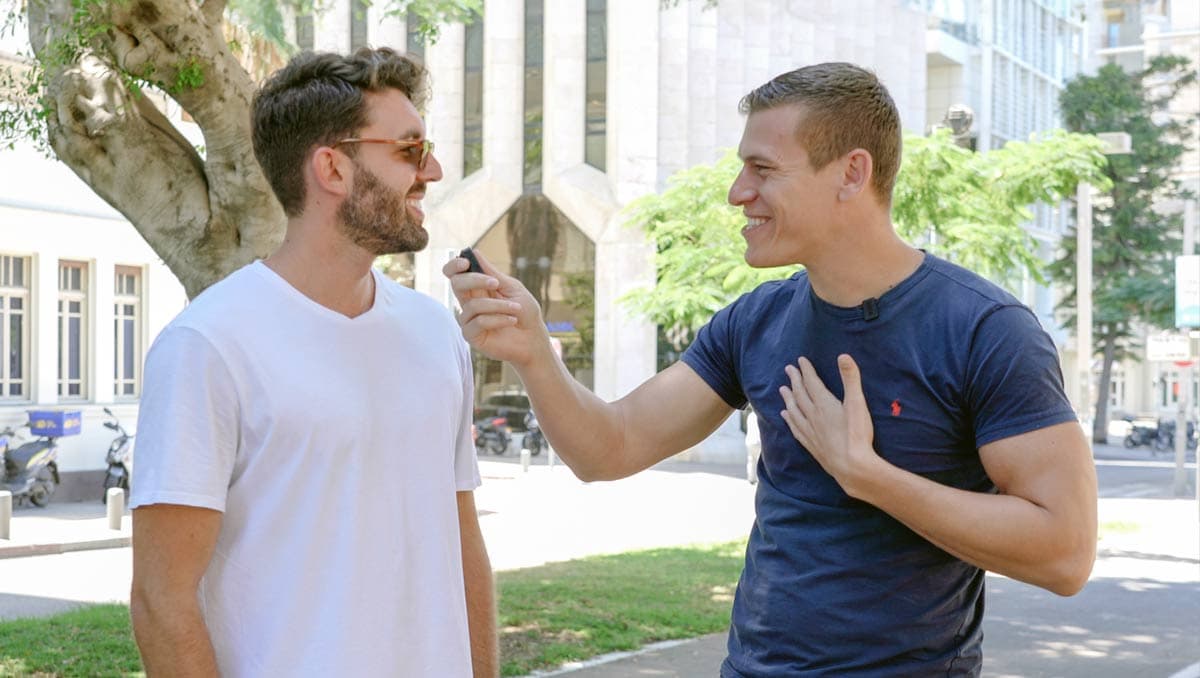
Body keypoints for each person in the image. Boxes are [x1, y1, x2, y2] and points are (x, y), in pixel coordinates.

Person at [445, 62, 1097, 676]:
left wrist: (870, 477)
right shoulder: (755, 321)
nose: (737, 194)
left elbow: (1064, 553)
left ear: (850, 174)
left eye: (762, 169)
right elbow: (609, 448)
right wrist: (533, 351)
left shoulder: (985, 330)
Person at [129, 48, 497, 678]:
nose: (432, 169)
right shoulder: (208, 346)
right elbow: (162, 600)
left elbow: (463, 544)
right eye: (409, 150)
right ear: (332, 167)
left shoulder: (437, 332)